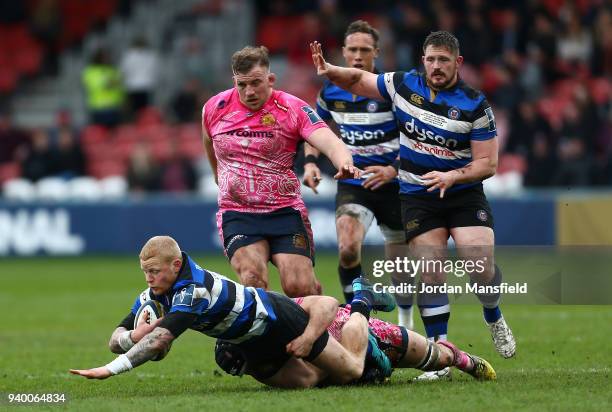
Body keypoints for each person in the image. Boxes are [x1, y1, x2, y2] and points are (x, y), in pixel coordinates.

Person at [310, 31, 516, 379]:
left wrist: (452, 177)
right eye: (431, 59)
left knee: (478, 265)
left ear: (457, 63)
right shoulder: (404, 84)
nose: (436, 66)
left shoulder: (475, 104)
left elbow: (488, 164)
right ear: (423, 60)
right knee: (431, 273)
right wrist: (330, 69)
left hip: (463, 194)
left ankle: (493, 314)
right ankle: (442, 356)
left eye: (444, 60)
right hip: (418, 195)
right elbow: (360, 79)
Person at [69, 236, 394, 388]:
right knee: (309, 383)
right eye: (145, 272)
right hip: (248, 342)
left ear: (176, 265)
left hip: (278, 320)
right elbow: (117, 337)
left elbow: (157, 343)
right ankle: (338, 349)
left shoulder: (191, 290)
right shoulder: (155, 293)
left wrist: (110, 370)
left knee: (350, 371)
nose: (149, 278)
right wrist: (129, 338)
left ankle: (361, 304)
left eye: (154, 271)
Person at [201, 46, 359, 298]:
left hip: (283, 210)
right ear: (234, 81)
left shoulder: (292, 108)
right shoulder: (215, 107)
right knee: (253, 280)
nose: (249, 91)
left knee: (299, 287)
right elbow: (209, 141)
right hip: (238, 212)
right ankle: (270, 336)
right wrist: (217, 174)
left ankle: (325, 316)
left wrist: (345, 163)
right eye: (242, 84)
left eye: (256, 82)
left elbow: (330, 141)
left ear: (270, 79)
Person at [302, 20, 413, 329]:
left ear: (376, 53)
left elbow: (418, 138)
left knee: (400, 264)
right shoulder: (331, 93)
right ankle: (357, 318)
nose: (358, 55)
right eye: (353, 49)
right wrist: (310, 163)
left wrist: (393, 170)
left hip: (395, 183)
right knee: (348, 247)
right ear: (344, 52)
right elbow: (314, 131)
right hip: (355, 181)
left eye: (365, 49)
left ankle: (405, 325)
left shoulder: (391, 91)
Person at [216, 295, 497, 383]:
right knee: (354, 370)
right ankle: (369, 360)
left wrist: (309, 337)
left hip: (348, 324)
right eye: (246, 371)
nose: (253, 370)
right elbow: (311, 379)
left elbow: (325, 303)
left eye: (249, 363)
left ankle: (462, 359)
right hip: (346, 352)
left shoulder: (272, 313)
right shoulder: (267, 371)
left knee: (437, 358)